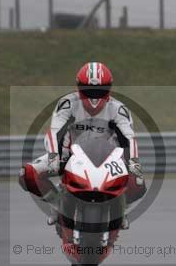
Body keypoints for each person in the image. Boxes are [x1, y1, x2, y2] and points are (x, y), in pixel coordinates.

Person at [19, 62, 143, 229]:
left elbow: (129, 138)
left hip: (108, 159)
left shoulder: (119, 109)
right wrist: (54, 156)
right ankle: (57, 206)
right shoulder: (68, 103)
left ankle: (121, 210)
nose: (94, 97)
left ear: (109, 88)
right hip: (68, 155)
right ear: (78, 87)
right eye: (88, 90)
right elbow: (54, 131)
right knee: (27, 174)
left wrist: (133, 162)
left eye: (100, 90)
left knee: (138, 182)